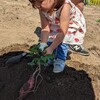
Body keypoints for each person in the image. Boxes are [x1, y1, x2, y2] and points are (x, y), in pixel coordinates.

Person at [29, 0, 88, 73]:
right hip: (56, 22)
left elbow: (62, 32)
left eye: (40, 1)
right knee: (51, 37)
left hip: (69, 24)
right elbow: (45, 28)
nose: (37, 5)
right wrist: (43, 44)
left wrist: (51, 48)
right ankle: (50, 57)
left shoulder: (65, 7)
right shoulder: (42, 8)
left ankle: (60, 60)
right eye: (33, 2)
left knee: (64, 40)